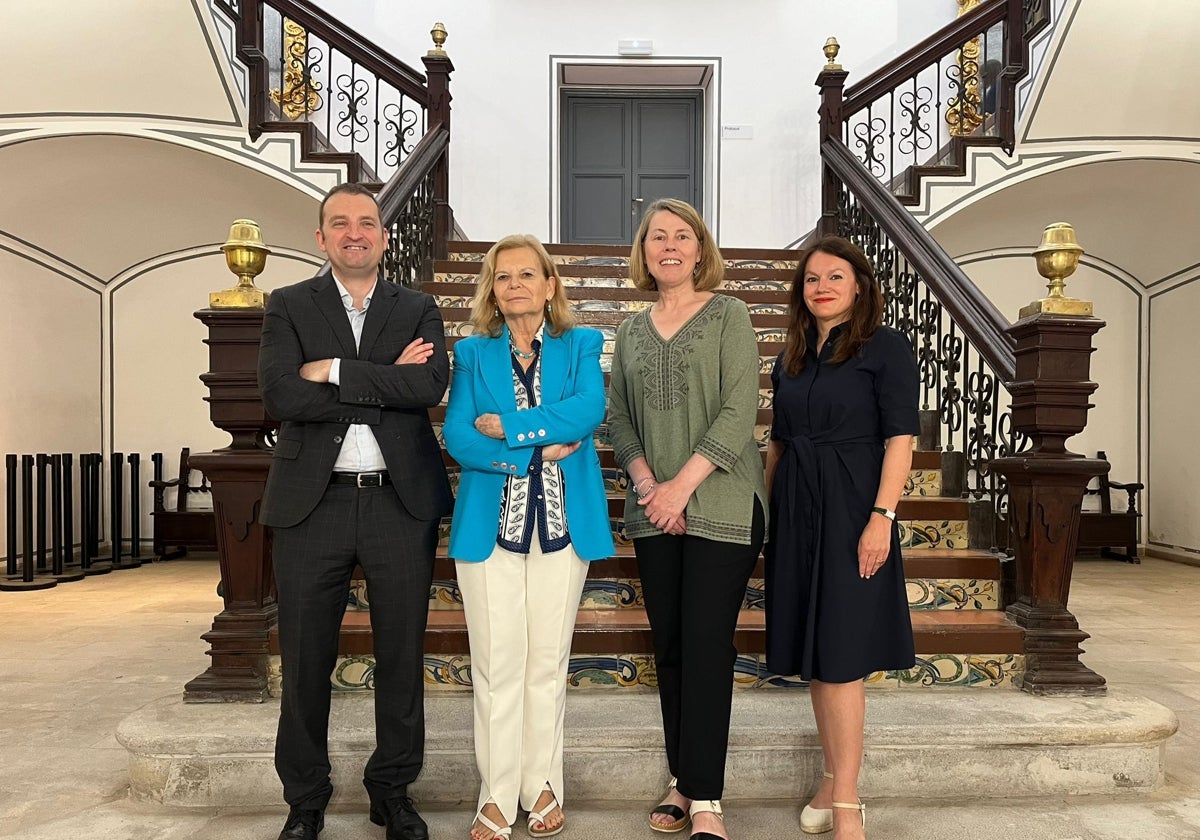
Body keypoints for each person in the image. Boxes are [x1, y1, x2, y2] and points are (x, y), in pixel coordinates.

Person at [258, 182, 452, 840]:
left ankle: (392, 790)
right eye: (339, 224)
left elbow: (427, 386)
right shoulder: (287, 305)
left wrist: (335, 368)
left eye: (366, 223)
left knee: (402, 655)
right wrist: (380, 377)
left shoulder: (418, 306)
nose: (354, 233)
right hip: (313, 505)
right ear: (322, 238)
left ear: (384, 235)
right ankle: (305, 799)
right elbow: (282, 395)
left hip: (400, 503)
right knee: (305, 656)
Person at [442, 234, 614, 840]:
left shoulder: (581, 345)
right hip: (489, 531)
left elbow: (589, 410)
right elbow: (459, 437)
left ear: (549, 285)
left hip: (564, 528)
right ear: (491, 289)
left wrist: (510, 428)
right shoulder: (471, 353)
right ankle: (495, 794)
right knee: (495, 665)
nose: (515, 285)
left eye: (527, 274)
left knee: (546, 663)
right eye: (503, 276)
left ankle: (541, 785)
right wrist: (534, 448)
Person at [607, 199, 767, 840]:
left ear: (700, 249)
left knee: (706, 645)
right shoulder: (629, 330)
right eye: (657, 238)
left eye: (682, 236)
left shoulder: (730, 314)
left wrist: (680, 488)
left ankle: (707, 800)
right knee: (670, 649)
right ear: (644, 253)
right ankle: (683, 776)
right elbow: (618, 416)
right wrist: (648, 483)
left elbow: (739, 408)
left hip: (722, 504)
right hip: (654, 511)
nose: (669, 246)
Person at [764, 236, 919, 840]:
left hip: (855, 505)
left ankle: (848, 801)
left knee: (843, 656)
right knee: (819, 656)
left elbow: (900, 440)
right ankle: (833, 776)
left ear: (859, 285)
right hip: (798, 507)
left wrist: (882, 517)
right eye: (810, 279)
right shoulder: (792, 357)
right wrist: (769, 516)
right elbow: (777, 441)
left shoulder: (886, 349)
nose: (821, 286)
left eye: (834, 276)